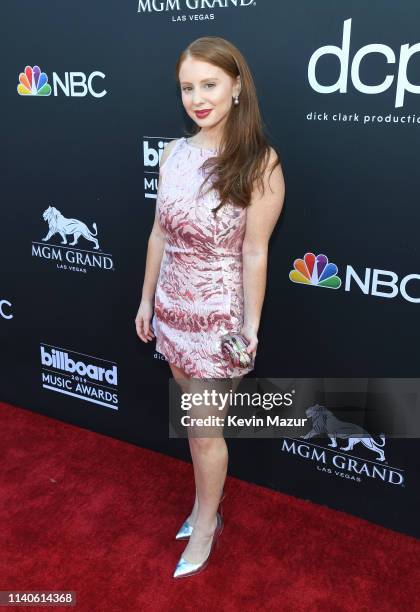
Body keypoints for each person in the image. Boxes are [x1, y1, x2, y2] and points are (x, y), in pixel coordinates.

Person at [135, 36, 285, 578]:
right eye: (187, 87)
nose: (197, 97)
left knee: (203, 430)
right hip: (172, 307)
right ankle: (202, 505)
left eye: (210, 84)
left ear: (237, 86)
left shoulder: (260, 162)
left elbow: (256, 252)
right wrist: (147, 300)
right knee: (192, 423)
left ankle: (206, 523)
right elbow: (158, 234)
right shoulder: (174, 154)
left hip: (219, 319)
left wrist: (250, 328)